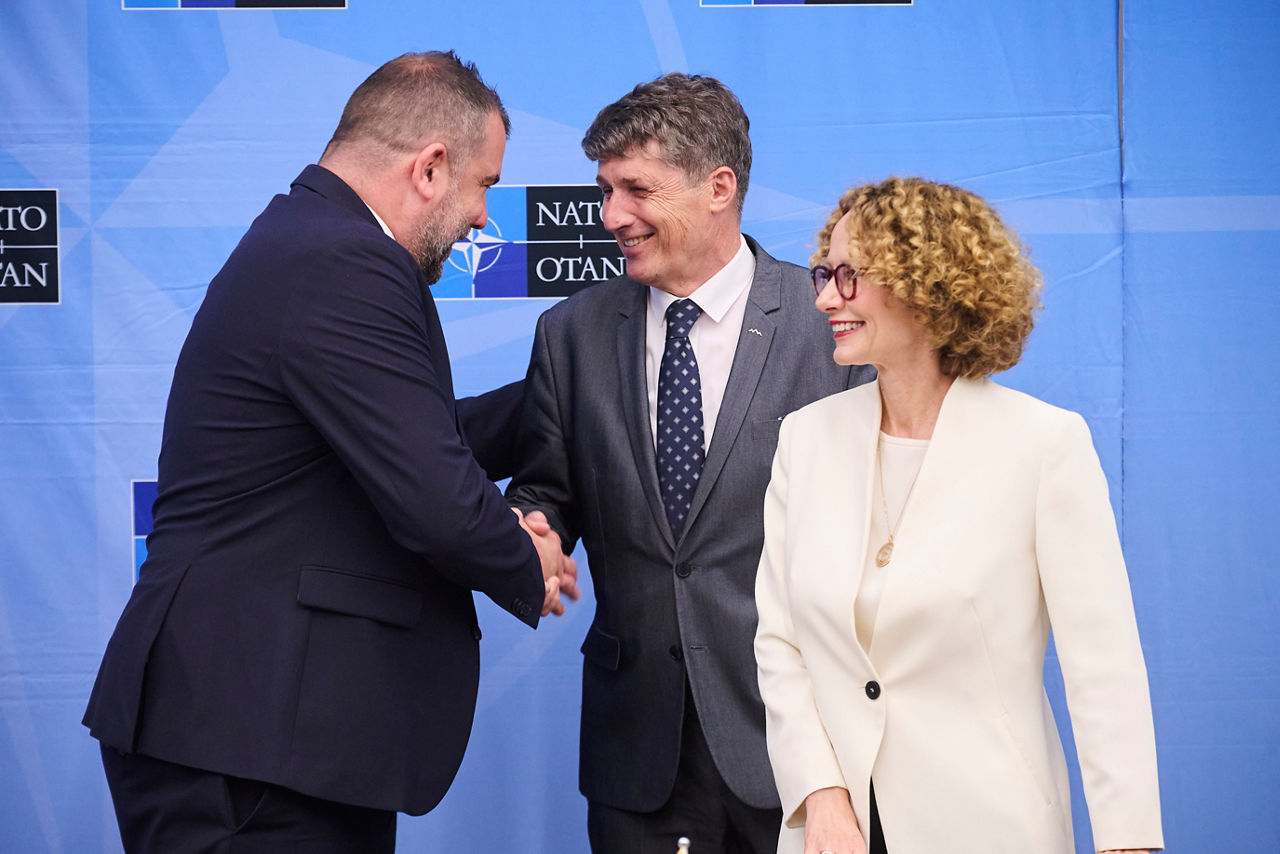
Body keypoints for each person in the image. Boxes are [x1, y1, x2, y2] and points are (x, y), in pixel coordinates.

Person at [83, 51, 577, 853]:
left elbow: (410, 435)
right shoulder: (344, 260)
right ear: (431, 168)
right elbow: (432, 492)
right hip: (246, 746)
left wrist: (572, 396)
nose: (486, 216)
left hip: (269, 740)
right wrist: (530, 560)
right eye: (485, 183)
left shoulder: (310, 238)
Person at [506, 73, 872, 854]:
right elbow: (548, 488)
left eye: (636, 189)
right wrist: (531, 530)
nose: (611, 217)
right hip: (637, 755)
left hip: (805, 752)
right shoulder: (568, 334)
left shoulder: (830, 326)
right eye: (604, 191)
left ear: (719, 186)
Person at [754, 177, 1164, 854]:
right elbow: (780, 641)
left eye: (849, 275)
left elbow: (1103, 669)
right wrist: (820, 796)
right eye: (825, 273)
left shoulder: (1043, 446)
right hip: (836, 836)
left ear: (927, 283)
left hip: (995, 828)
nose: (825, 295)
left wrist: (1127, 843)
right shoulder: (806, 439)